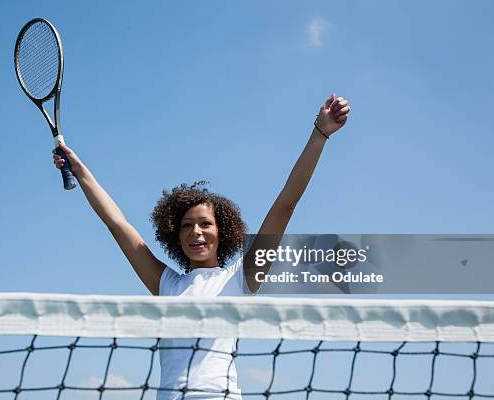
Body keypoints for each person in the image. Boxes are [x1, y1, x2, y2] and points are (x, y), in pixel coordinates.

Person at [53, 94, 350, 399]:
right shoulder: (166, 283)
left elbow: (286, 204)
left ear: (222, 232)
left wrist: (320, 133)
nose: (196, 232)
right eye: (186, 226)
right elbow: (118, 225)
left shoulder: (242, 277)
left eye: (205, 224)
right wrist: (79, 170)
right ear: (176, 236)